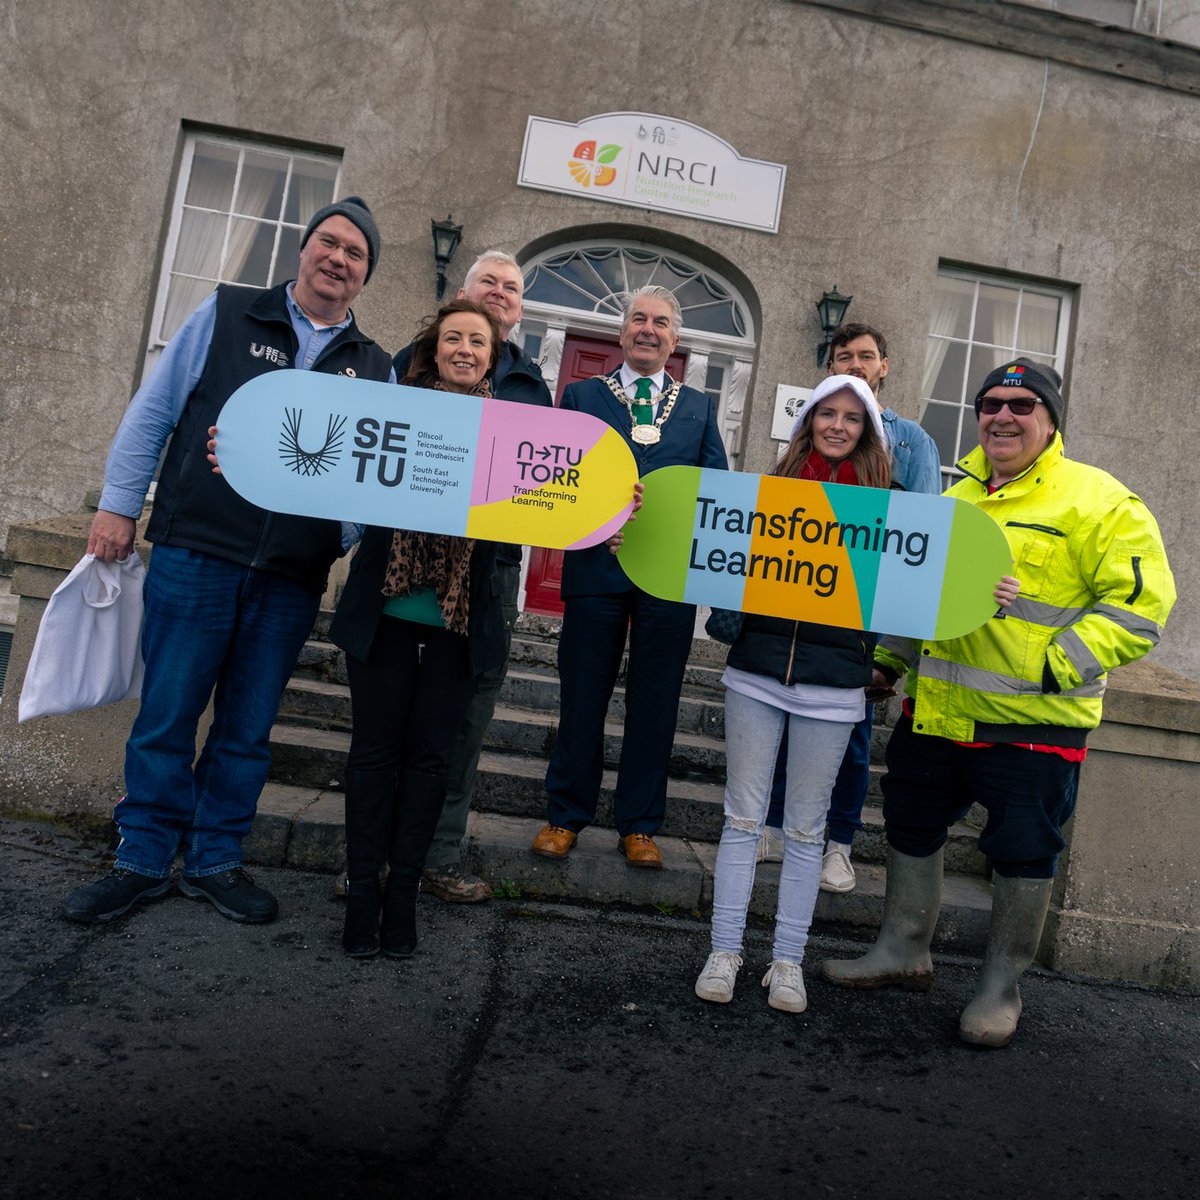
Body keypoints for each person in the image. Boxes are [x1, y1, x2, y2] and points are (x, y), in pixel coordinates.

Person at [821, 358, 1175, 1048]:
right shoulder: (957, 501)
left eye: (1020, 404)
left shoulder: (1101, 501)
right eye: (990, 404)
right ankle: (904, 951)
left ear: (1049, 418)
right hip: (938, 712)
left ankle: (998, 988)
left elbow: (1140, 609)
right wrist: (891, 662)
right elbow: (923, 597)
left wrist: (1052, 664)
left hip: (1034, 722)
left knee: (1022, 850)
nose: (1002, 416)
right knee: (910, 825)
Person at [62, 197, 394, 927]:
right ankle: (142, 858)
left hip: (290, 576)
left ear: (367, 276)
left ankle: (216, 859)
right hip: (198, 550)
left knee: (246, 727)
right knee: (168, 713)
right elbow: (155, 409)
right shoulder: (227, 312)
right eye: (328, 243)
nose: (338, 259)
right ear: (304, 250)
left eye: (355, 253)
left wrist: (341, 533)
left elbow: (375, 476)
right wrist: (120, 506)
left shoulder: (374, 368)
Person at [694, 375, 897, 1012]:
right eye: (826, 414)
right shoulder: (769, 493)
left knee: (807, 832)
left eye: (852, 418)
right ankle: (724, 950)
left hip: (835, 685)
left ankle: (787, 961)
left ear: (867, 430)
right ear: (807, 421)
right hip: (757, 671)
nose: (837, 426)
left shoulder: (887, 508)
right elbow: (716, 551)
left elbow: (910, 587)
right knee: (743, 821)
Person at [328, 299, 508, 958]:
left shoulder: (511, 436)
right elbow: (328, 466)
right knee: (374, 757)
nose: (465, 349)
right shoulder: (391, 410)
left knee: (431, 763)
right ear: (433, 350)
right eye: (453, 338)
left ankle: (403, 895)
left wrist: (611, 503)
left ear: (492, 357)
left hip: (458, 627)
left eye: (477, 342)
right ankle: (364, 892)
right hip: (386, 616)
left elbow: (560, 501)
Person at [531, 286, 729, 868]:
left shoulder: (698, 407)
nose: (648, 329)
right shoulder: (580, 395)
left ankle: (640, 825)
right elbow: (556, 480)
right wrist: (594, 523)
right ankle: (565, 816)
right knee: (582, 698)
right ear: (621, 333)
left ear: (676, 340)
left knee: (656, 703)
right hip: (596, 570)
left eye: (661, 322)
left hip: (666, 580)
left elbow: (713, 493)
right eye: (638, 318)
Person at [759, 322, 942, 895]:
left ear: (884, 366)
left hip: (858, 620)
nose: (856, 364)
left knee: (853, 738)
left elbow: (922, 538)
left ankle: (838, 843)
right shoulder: (800, 452)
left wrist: (891, 646)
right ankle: (774, 827)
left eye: (866, 357)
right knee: (784, 728)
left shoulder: (910, 441)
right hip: (792, 611)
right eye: (844, 356)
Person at [391, 251, 551, 904]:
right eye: (489, 282)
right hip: (405, 572)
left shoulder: (532, 385)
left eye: (511, 288)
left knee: (462, 729)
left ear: (517, 310)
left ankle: (441, 857)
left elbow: (547, 481)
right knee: (392, 726)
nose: (499, 294)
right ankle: (375, 856)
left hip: (488, 578)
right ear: (460, 296)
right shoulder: (411, 365)